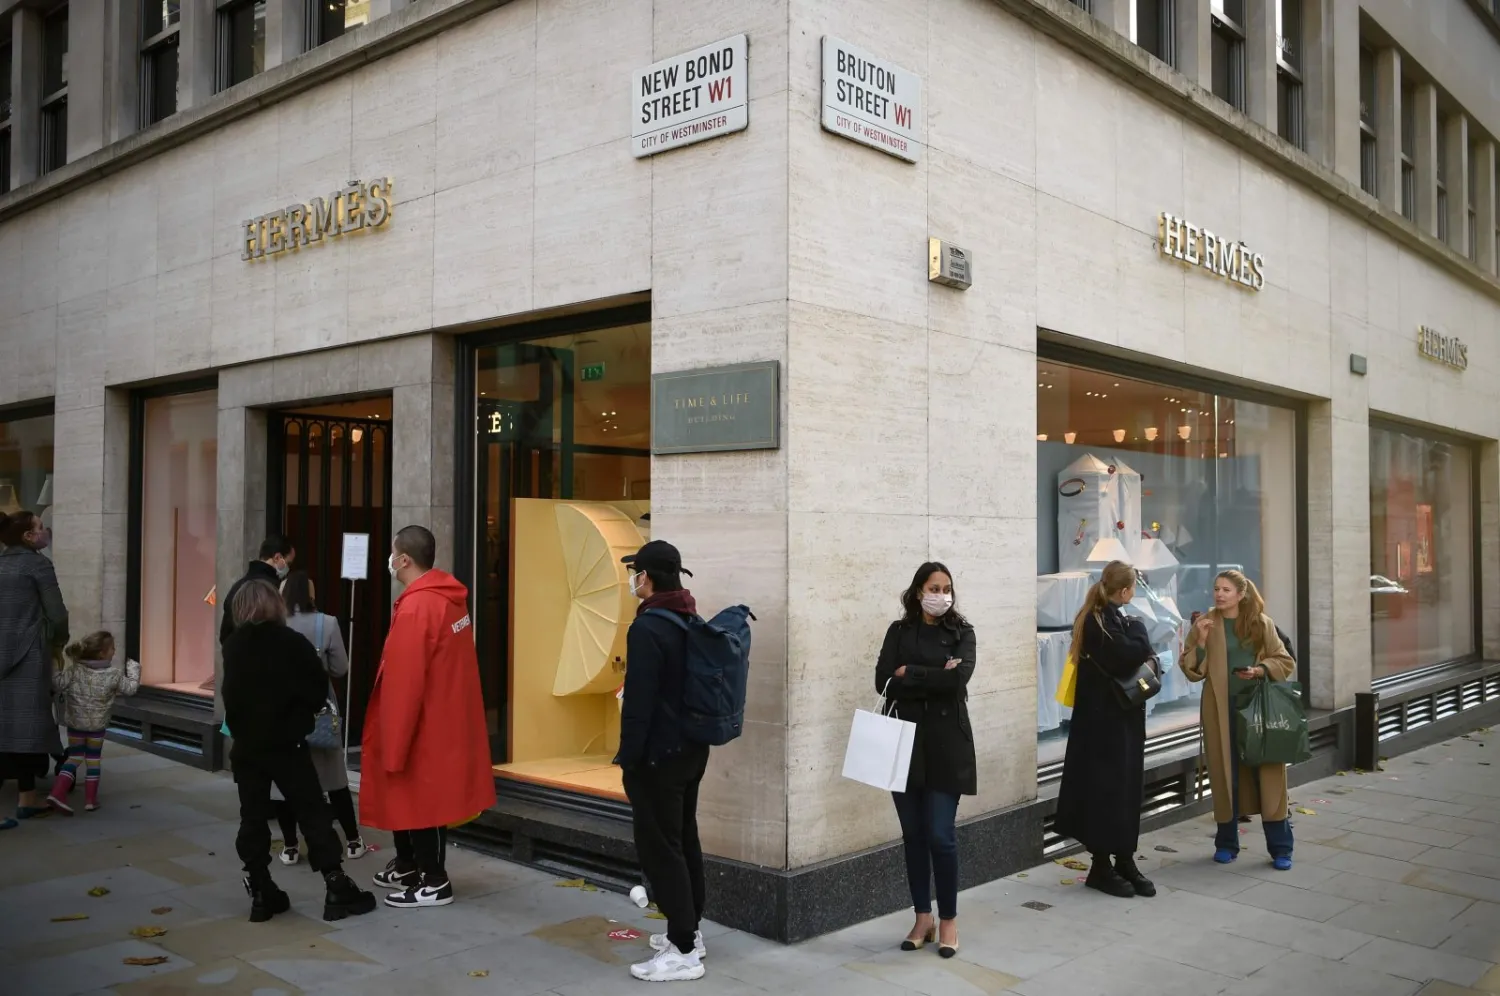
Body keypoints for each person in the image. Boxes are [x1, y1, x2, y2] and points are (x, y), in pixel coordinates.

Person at [221, 580, 376, 923]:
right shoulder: (291, 642)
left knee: (253, 815)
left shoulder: (233, 645)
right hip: (286, 742)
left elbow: (230, 693)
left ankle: (260, 887)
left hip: (247, 745)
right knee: (311, 810)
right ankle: (335, 882)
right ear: (274, 605)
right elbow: (317, 688)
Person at [360, 525, 495, 910]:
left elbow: (404, 679)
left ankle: (433, 880)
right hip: (442, 715)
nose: (389, 559)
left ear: (403, 559)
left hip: (422, 721)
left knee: (421, 801)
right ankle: (412, 867)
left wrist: (394, 739)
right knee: (420, 799)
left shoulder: (419, 606)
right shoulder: (448, 599)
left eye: (391, 552)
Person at [615, 540, 710, 983]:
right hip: (691, 749)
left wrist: (628, 759)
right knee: (683, 838)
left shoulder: (649, 627)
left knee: (661, 847)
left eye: (636, 571)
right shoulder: (689, 616)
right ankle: (689, 930)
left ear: (647, 577)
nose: (633, 579)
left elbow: (639, 704)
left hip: (658, 756)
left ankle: (685, 951)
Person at [874, 562, 977, 959]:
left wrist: (911, 674)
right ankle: (922, 917)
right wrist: (933, 675)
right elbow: (882, 679)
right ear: (919, 591)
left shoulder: (961, 632)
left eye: (947, 587)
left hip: (947, 744)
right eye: (934, 587)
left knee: (940, 835)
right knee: (913, 835)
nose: (942, 594)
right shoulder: (898, 632)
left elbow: (958, 681)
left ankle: (948, 918)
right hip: (903, 742)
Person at [1053, 561, 1158, 898]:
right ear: (1125, 591)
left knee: (1125, 790)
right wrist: (1140, 628)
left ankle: (1124, 859)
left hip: (1119, 721)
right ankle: (1101, 865)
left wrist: (1136, 630)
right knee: (1104, 793)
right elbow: (1132, 652)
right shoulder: (1098, 622)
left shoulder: (1107, 618)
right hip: (1102, 726)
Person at [1183, 569, 1297, 870]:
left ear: (1241, 594)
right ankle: (1226, 844)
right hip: (1221, 710)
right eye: (1217, 589)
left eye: (1226, 590)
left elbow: (1285, 660)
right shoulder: (1205, 623)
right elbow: (1191, 669)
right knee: (1224, 776)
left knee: (1269, 777)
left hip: (1258, 709)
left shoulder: (1261, 623)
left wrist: (1260, 670)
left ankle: (1282, 848)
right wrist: (1203, 641)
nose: (1219, 594)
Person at [275, 571, 365, 864]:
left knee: (285, 781)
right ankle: (352, 840)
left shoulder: (275, 624)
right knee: (335, 778)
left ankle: (289, 846)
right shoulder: (326, 623)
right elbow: (341, 667)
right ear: (311, 594)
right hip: (320, 713)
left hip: (285, 713)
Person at [0, 510, 69, 829]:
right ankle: (27, 800)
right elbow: (56, 614)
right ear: (29, 536)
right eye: (40, 528)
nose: (45, 531)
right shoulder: (39, 565)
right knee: (27, 727)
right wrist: (58, 644)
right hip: (29, 652)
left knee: (6, 726)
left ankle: (22, 796)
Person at [47, 631, 140, 814]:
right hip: (97, 727)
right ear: (101, 653)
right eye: (112, 648)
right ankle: (90, 800)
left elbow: (56, 684)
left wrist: (55, 663)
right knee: (93, 760)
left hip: (75, 725)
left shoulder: (74, 670)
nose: (114, 651)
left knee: (74, 758)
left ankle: (57, 793)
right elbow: (130, 689)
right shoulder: (113, 674)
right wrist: (134, 669)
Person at [221, 536, 295, 647]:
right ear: (277, 557)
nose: (288, 569)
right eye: (288, 564)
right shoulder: (275, 588)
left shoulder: (237, 587)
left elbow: (224, 635)